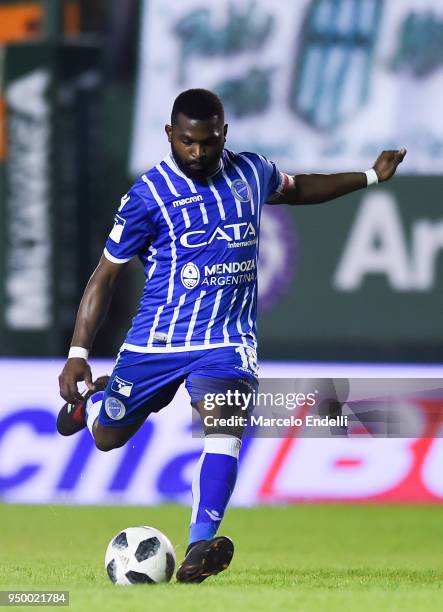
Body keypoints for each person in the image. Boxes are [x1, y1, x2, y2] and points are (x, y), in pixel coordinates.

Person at [57, 88, 406, 583]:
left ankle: (200, 546)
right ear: (169, 136)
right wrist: (77, 353)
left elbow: (299, 187)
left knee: (224, 426)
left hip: (227, 340)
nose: (198, 153)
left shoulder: (250, 172)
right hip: (156, 341)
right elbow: (104, 276)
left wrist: (369, 176)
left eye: (208, 141)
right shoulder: (147, 196)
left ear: (225, 134)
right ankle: (89, 404)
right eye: (187, 142)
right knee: (107, 437)